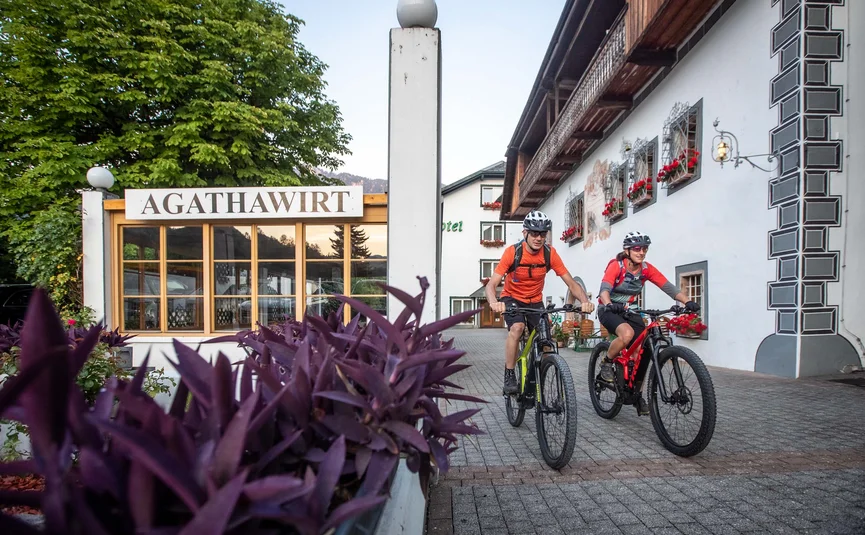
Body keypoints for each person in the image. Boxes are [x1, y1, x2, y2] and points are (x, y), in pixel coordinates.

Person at [485, 210, 595, 395]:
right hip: (512, 299)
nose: (538, 238)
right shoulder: (512, 252)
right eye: (534, 233)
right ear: (525, 233)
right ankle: (510, 373)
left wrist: (585, 300)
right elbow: (491, 285)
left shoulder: (549, 254)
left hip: (535, 301)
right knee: (517, 328)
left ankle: (538, 375)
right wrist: (494, 301)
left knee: (547, 341)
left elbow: (570, 282)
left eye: (543, 234)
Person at [596, 231, 700, 415]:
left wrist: (687, 301)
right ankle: (607, 361)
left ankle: (636, 394)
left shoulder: (646, 269)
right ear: (627, 250)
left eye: (644, 248)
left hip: (630, 310)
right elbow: (604, 289)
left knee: (642, 349)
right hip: (609, 310)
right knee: (627, 334)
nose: (641, 252)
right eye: (637, 248)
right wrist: (610, 304)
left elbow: (668, 287)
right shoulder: (617, 266)